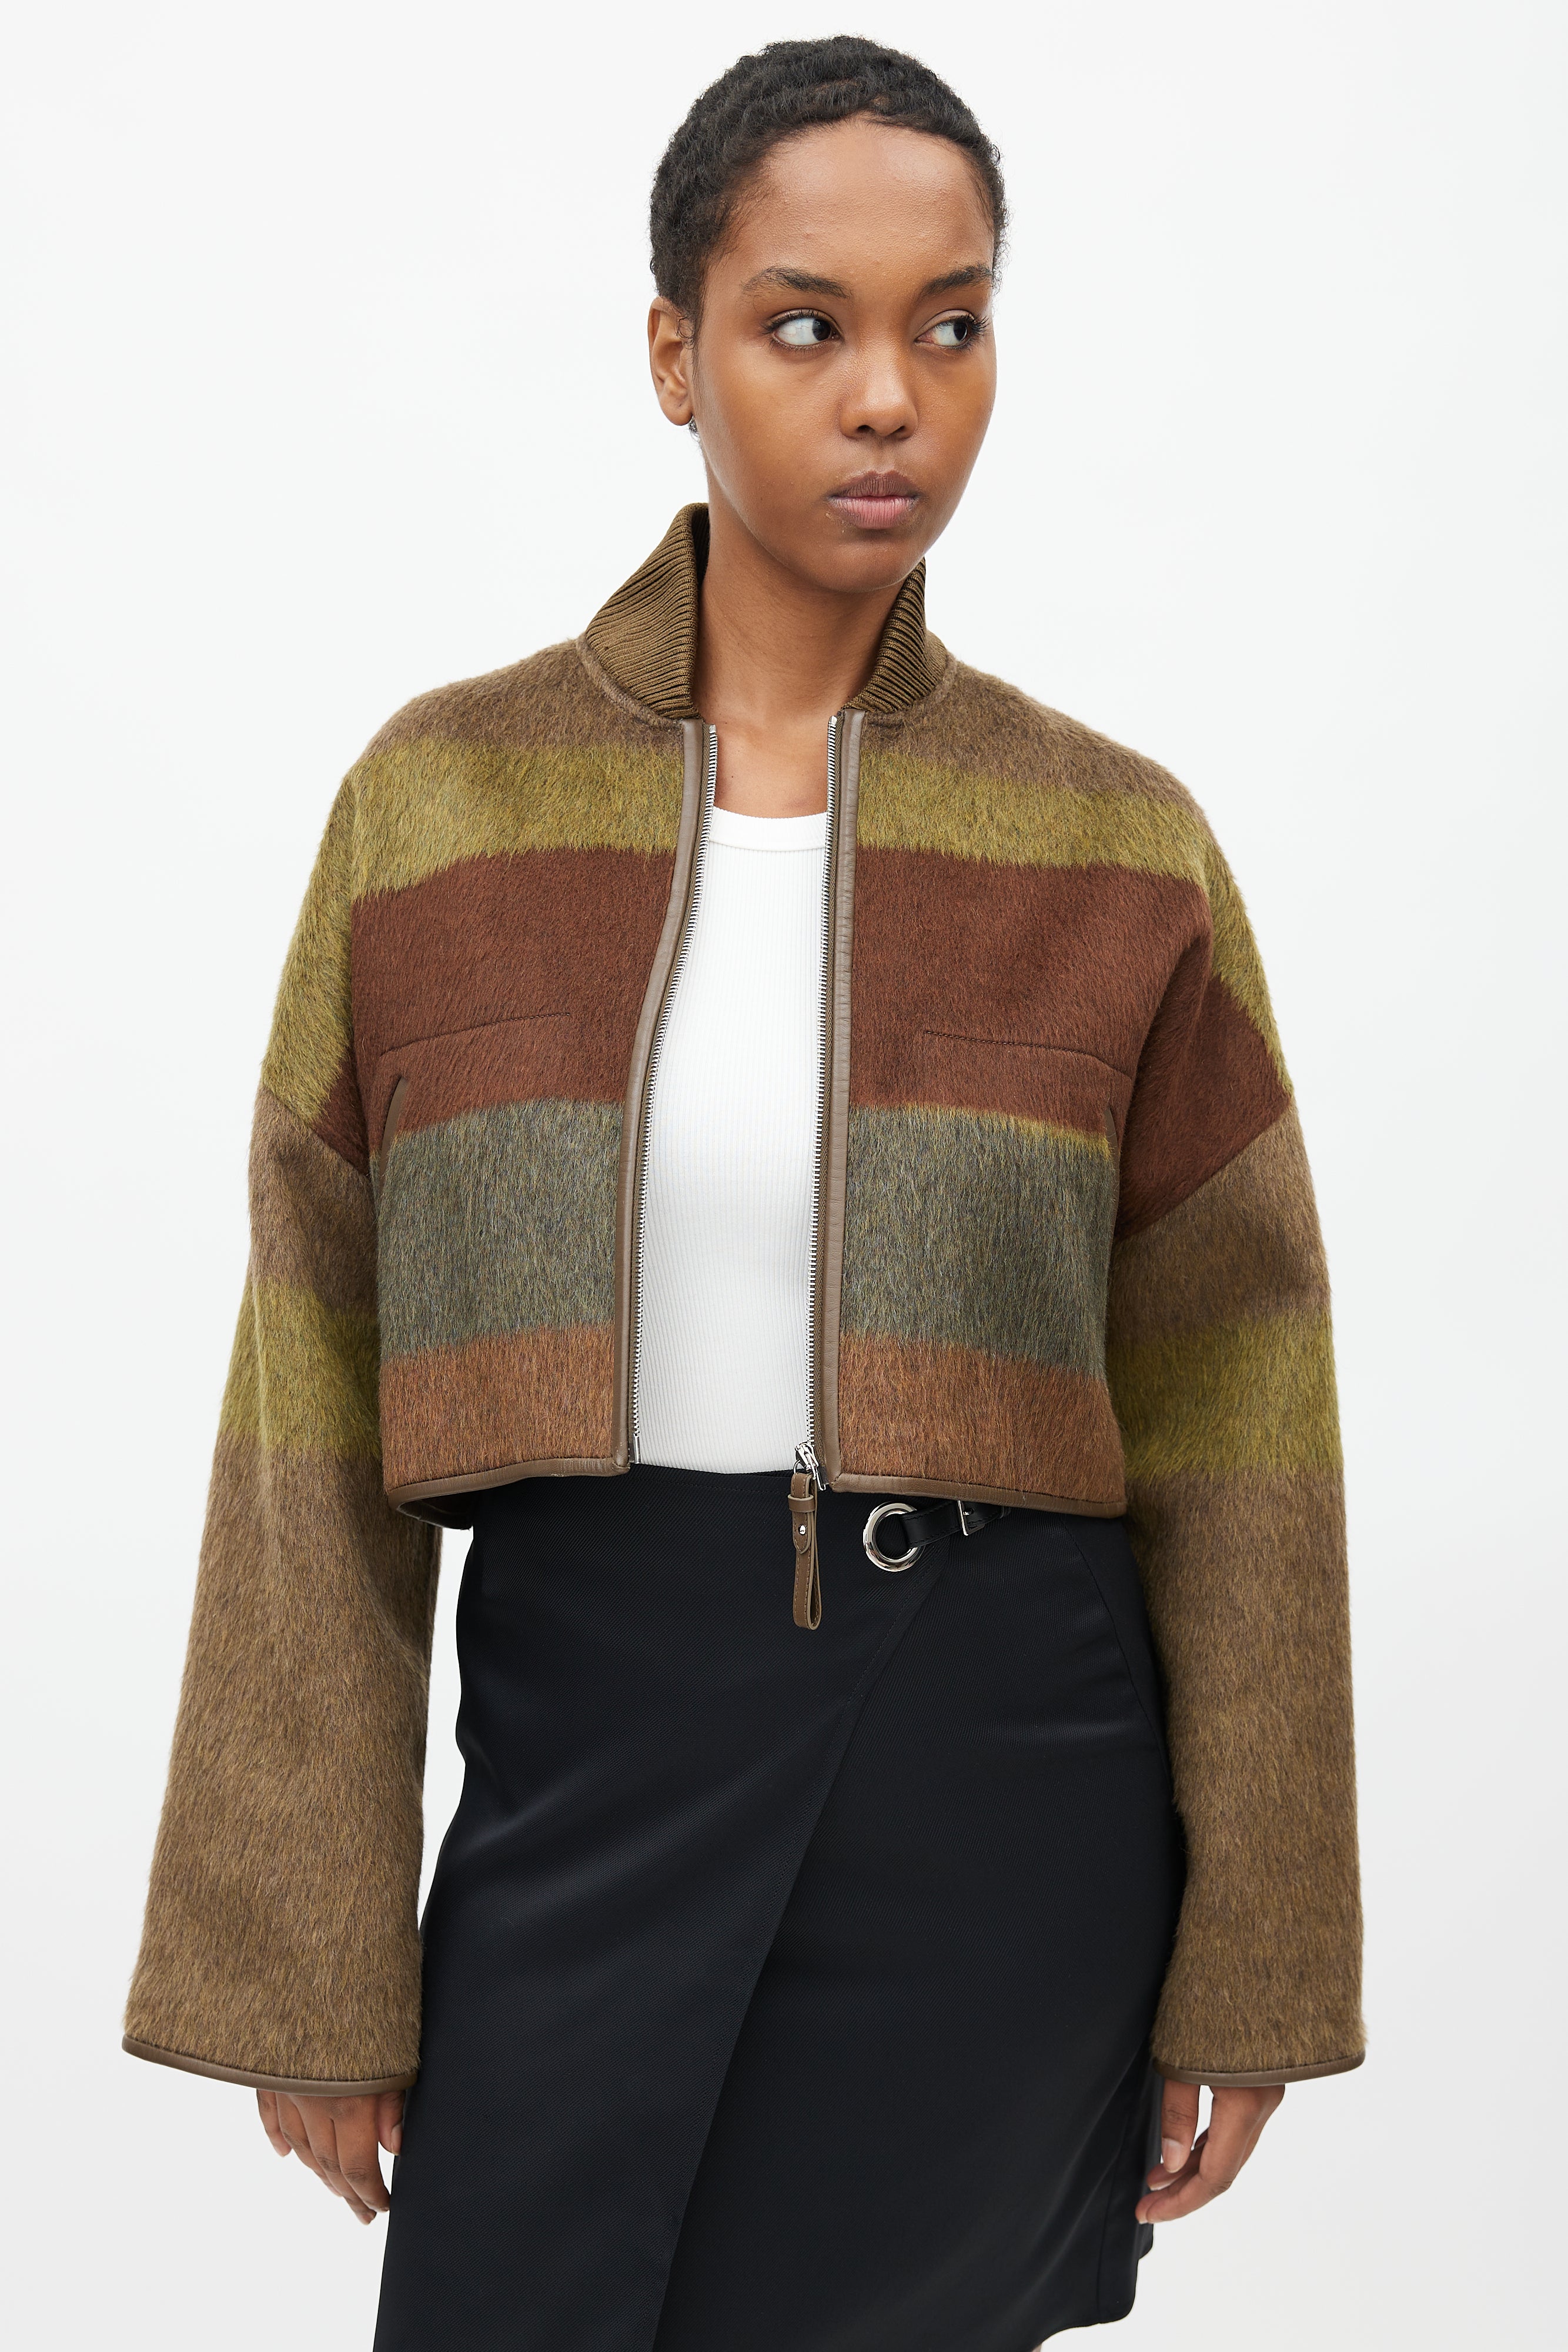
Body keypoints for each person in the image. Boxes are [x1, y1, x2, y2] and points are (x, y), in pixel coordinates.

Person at [123, 35, 1362, 2350]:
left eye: (950, 324)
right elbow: (308, 1401)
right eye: (807, 325)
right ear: (675, 353)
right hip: (586, 1750)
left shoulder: (1115, 846)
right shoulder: (441, 806)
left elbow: (1243, 1432)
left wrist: (1260, 1955)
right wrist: (305, 1953)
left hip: (1001, 1783)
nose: (889, 396)